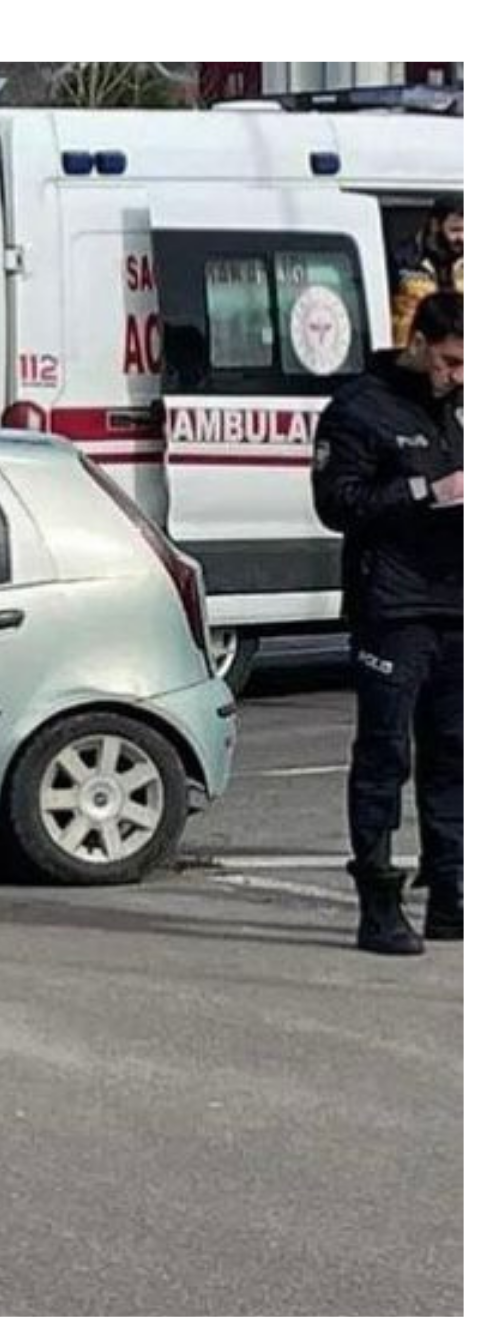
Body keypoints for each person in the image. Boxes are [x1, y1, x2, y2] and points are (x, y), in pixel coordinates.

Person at [312, 291, 463, 955]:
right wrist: (425, 491)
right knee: (384, 754)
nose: (458, 377)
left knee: (456, 756)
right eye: (452, 362)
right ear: (422, 342)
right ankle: (378, 901)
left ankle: (453, 896)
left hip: (460, 602)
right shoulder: (360, 408)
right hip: (392, 607)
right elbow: (337, 504)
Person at [390, 196, 463, 347]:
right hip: (412, 354)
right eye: (456, 230)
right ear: (435, 225)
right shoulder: (402, 259)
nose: (463, 238)